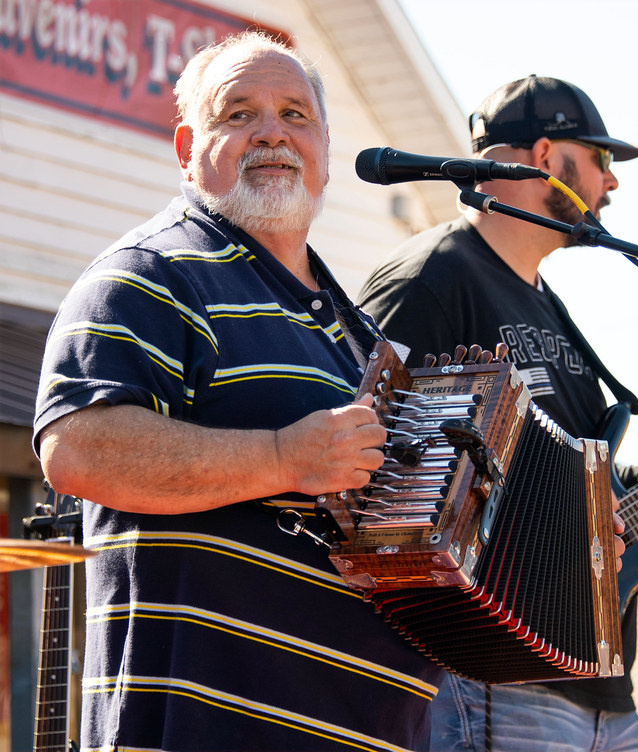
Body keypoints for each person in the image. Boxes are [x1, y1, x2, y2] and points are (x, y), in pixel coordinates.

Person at [33, 32, 448, 751]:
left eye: (295, 114)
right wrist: (284, 458)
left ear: (324, 147)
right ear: (186, 147)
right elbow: (78, 449)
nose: (271, 133)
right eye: (238, 114)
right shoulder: (149, 275)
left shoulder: (363, 337)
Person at [357, 76, 638, 752]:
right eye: (600, 159)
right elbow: (369, 466)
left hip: (601, 686)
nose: (611, 183)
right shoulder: (431, 279)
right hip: (491, 676)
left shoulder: (550, 308)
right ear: (544, 157)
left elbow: (596, 488)